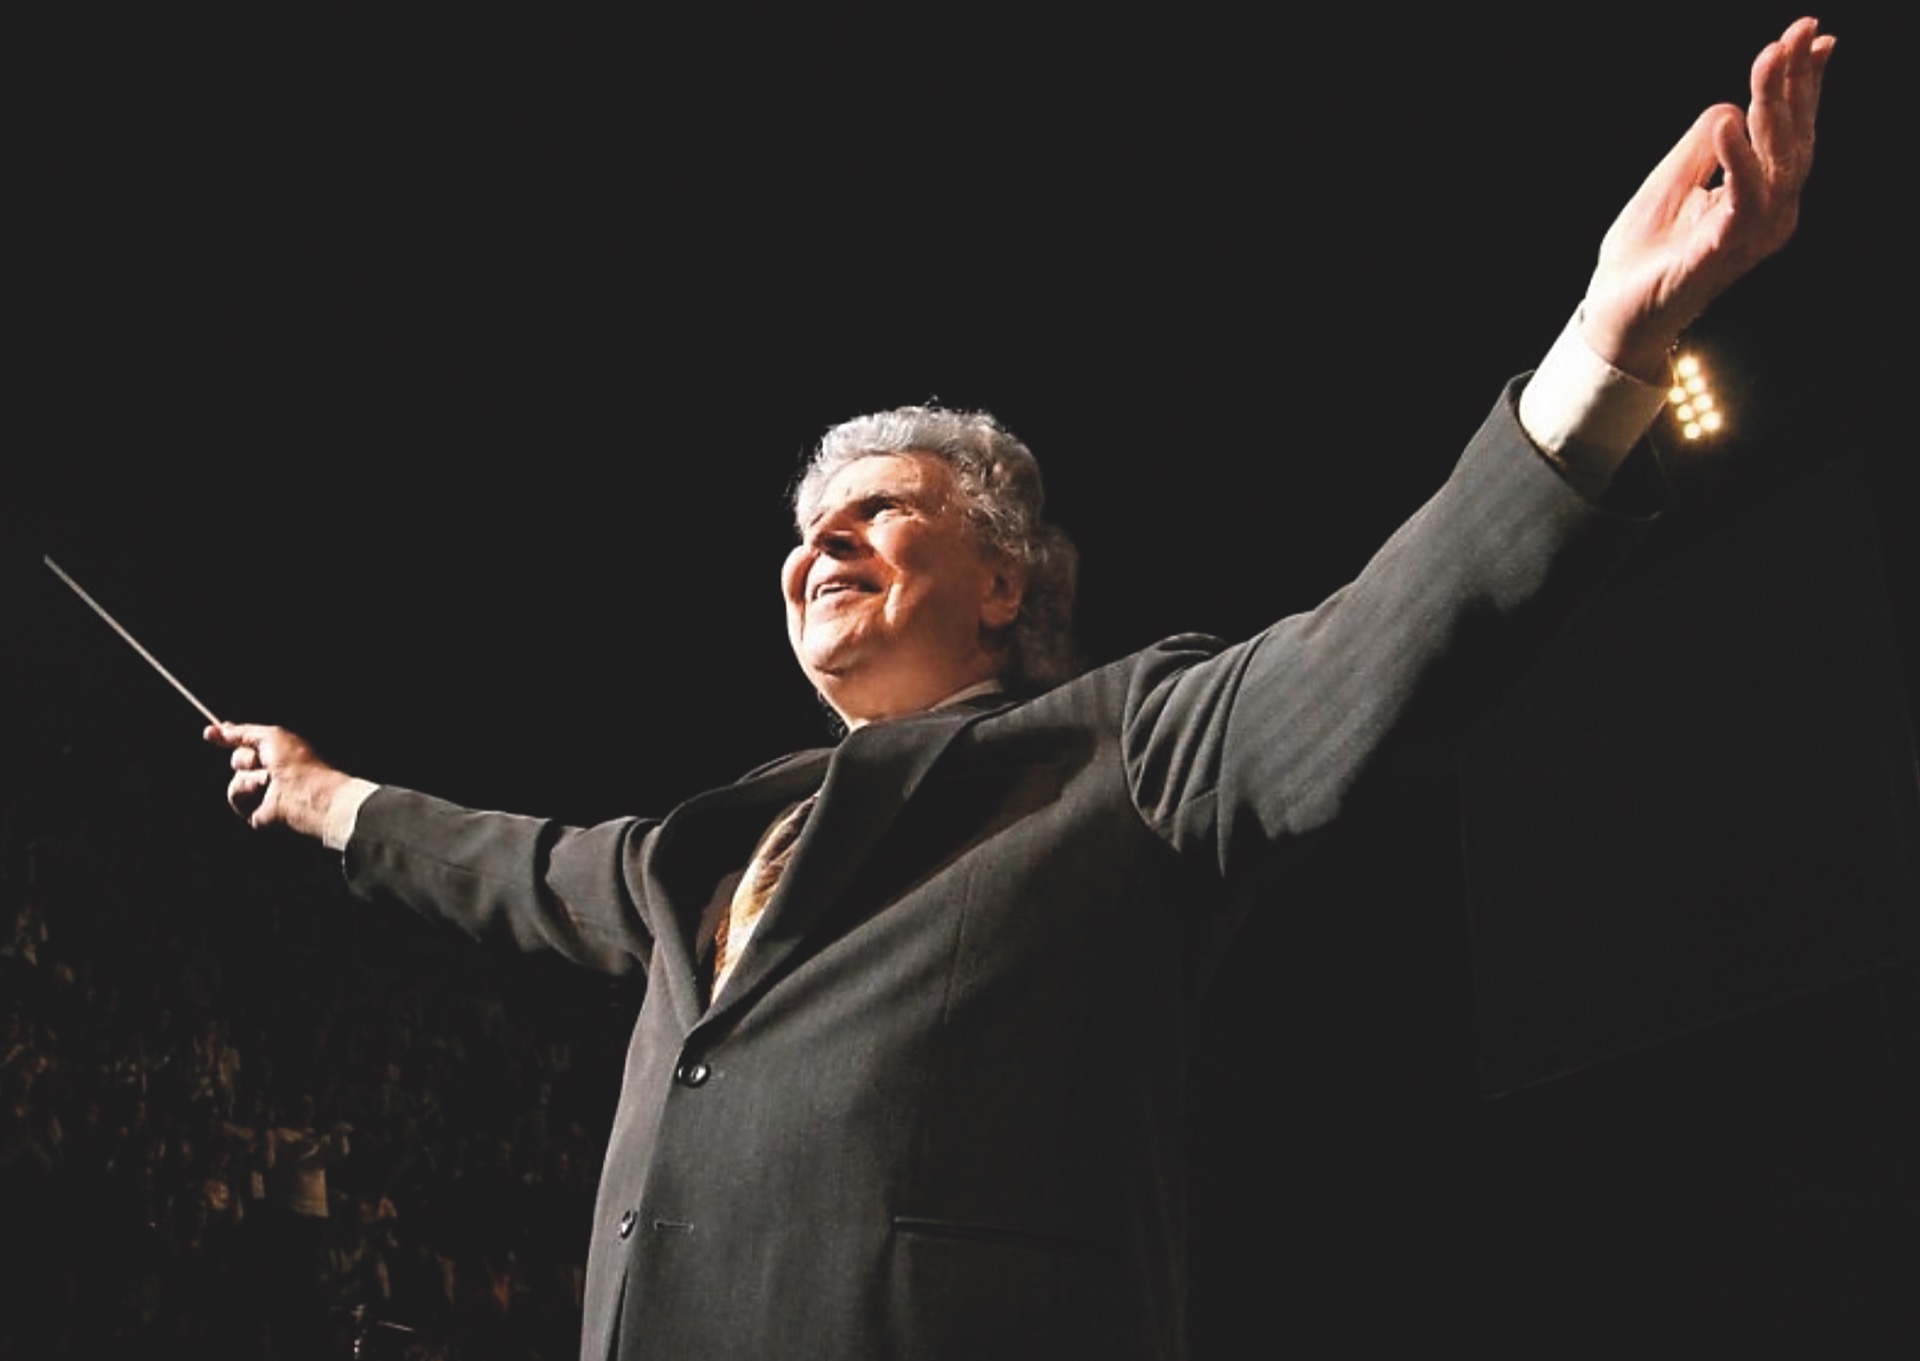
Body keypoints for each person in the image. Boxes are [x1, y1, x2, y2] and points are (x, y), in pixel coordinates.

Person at [207, 20, 1833, 1361]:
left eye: (875, 513)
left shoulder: (1118, 750)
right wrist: (321, 792)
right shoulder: (694, 850)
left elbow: (1376, 649)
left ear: (1002, 578)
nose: (821, 545)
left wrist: (1607, 343)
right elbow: (509, 863)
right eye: (804, 531)